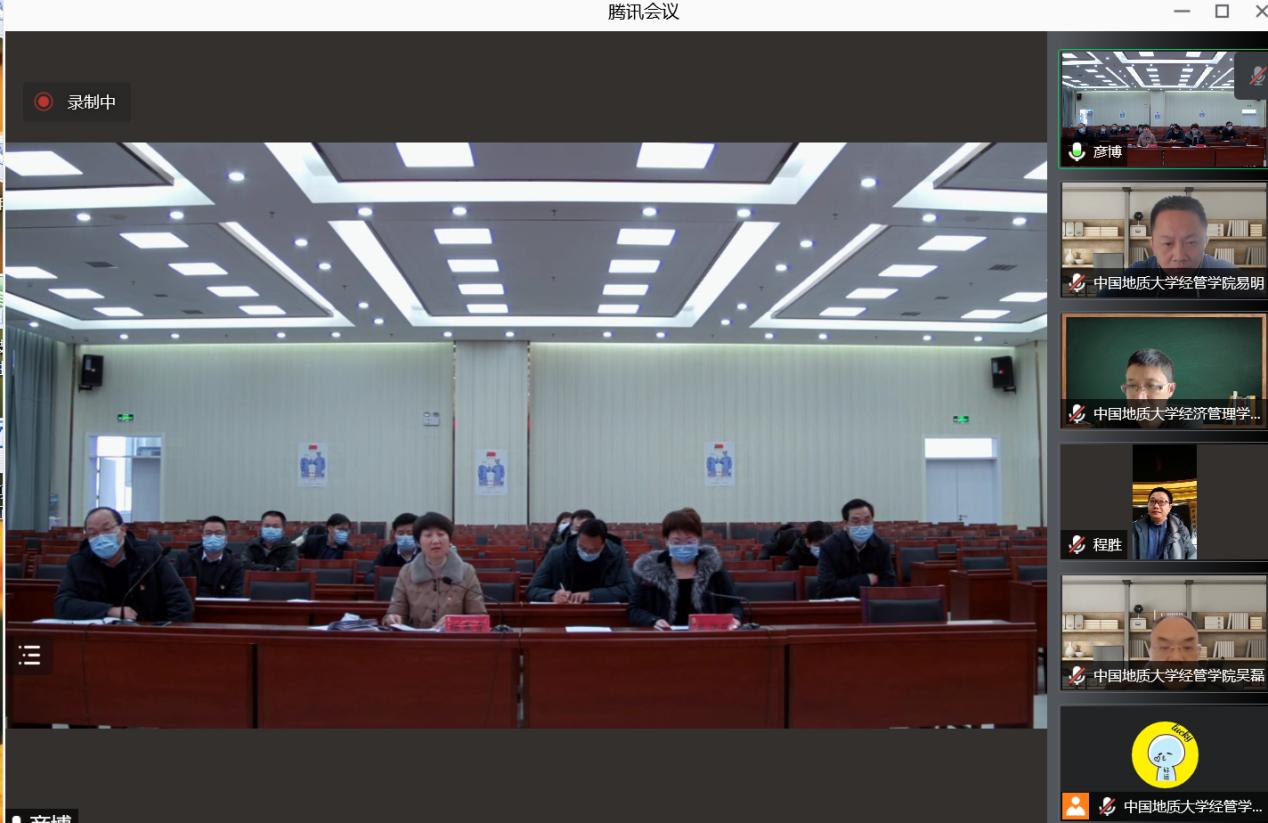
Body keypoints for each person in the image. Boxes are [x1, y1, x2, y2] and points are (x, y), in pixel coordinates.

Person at [54, 506, 194, 621]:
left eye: (106, 529)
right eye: (93, 533)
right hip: (99, 636)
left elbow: (180, 602)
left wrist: (166, 636)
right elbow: (63, 604)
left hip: (148, 633)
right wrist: (109, 610)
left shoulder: (150, 555)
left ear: (123, 530)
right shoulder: (79, 562)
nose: (100, 537)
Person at [628, 507, 742, 630]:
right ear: (666, 541)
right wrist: (653, 621)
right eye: (676, 542)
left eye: (689, 542)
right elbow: (634, 610)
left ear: (699, 540)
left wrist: (734, 618)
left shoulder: (714, 569)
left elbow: (734, 604)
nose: (683, 547)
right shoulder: (650, 572)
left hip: (707, 636)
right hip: (664, 636)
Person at [382, 512, 487, 628]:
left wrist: (454, 622)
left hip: (453, 637)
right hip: (416, 637)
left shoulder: (467, 572)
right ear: (418, 542)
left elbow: (479, 618)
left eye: (441, 534)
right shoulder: (406, 572)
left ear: (450, 540)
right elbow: (396, 610)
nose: (435, 541)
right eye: (428, 535)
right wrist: (392, 617)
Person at [526, 518, 635, 603]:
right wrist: (552, 596)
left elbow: (628, 589)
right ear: (578, 538)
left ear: (604, 544)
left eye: (594, 550)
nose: (587, 553)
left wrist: (591, 595)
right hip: (565, 611)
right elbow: (532, 589)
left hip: (603, 612)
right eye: (582, 548)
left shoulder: (616, 553)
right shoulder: (557, 554)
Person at [1127, 196, 1236, 276]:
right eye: (1167, 243)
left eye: (1191, 242)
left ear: (1204, 242)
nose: (1179, 257)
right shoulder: (1135, 275)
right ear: (1153, 245)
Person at [1098, 348, 1202, 430]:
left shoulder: (1186, 417)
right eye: (1132, 386)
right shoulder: (1111, 421)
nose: (1139, 398)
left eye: (1151, 386)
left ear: (1170, 389)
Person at [817, 498, 896, 598]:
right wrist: (866, 580)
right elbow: (827, 587)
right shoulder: (829, 547)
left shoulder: (882, 546)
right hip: (839, 603)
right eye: (856, 522)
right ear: (845, 524)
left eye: (867, 521)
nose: (862, 526)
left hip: (871, 602)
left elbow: (889, 583)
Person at [173, 515, 245, 597]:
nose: (213, 537)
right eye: (208, 533)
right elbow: (173, 588)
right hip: (189, 603)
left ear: (226, 537)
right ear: (202, 536)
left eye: (218, 533)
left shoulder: (235, 565)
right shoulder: (184, 559)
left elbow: (236, 596)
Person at [1131, 487, 1197, 560]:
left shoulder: (1181, 530)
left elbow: (1192, 554)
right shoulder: (1134, 529)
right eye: (1152, 501)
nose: (1156, 506)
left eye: (1161, 502)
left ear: (1170, 507)